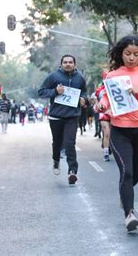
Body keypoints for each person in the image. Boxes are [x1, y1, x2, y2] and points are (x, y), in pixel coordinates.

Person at [95, 35, 138, 232]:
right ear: (121, 54)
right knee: (127, 172)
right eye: (128, 54)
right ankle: (129, 214)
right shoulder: (113, 75)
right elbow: (107, 99)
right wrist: (102, 105)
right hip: (120, 131)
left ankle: (124, 196)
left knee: (133, 177)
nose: (132, 58)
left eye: (136, 54)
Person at [38, 54, 87, 185]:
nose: (68, 64)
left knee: (70, 142)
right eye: (65, 62)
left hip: (72, 115)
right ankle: (56, 160)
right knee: (57, 142)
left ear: (75, 64)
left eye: (70, 62)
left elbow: (84, 92)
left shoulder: (80, 78)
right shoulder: (54, 77)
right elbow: (41, 91)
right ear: (61, 64)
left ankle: (72, 171)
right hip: (56, 116)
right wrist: (55, 91)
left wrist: (84, 99)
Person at [95, 71, 111, 162]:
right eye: (105, 78)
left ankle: (109, 147)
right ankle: (106, 154)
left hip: (114, 113)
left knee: (112, 134)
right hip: (103, 113)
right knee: (107, 133)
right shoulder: (99, 90)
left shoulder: (116, 87)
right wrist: (98, 105)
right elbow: (97, 101)